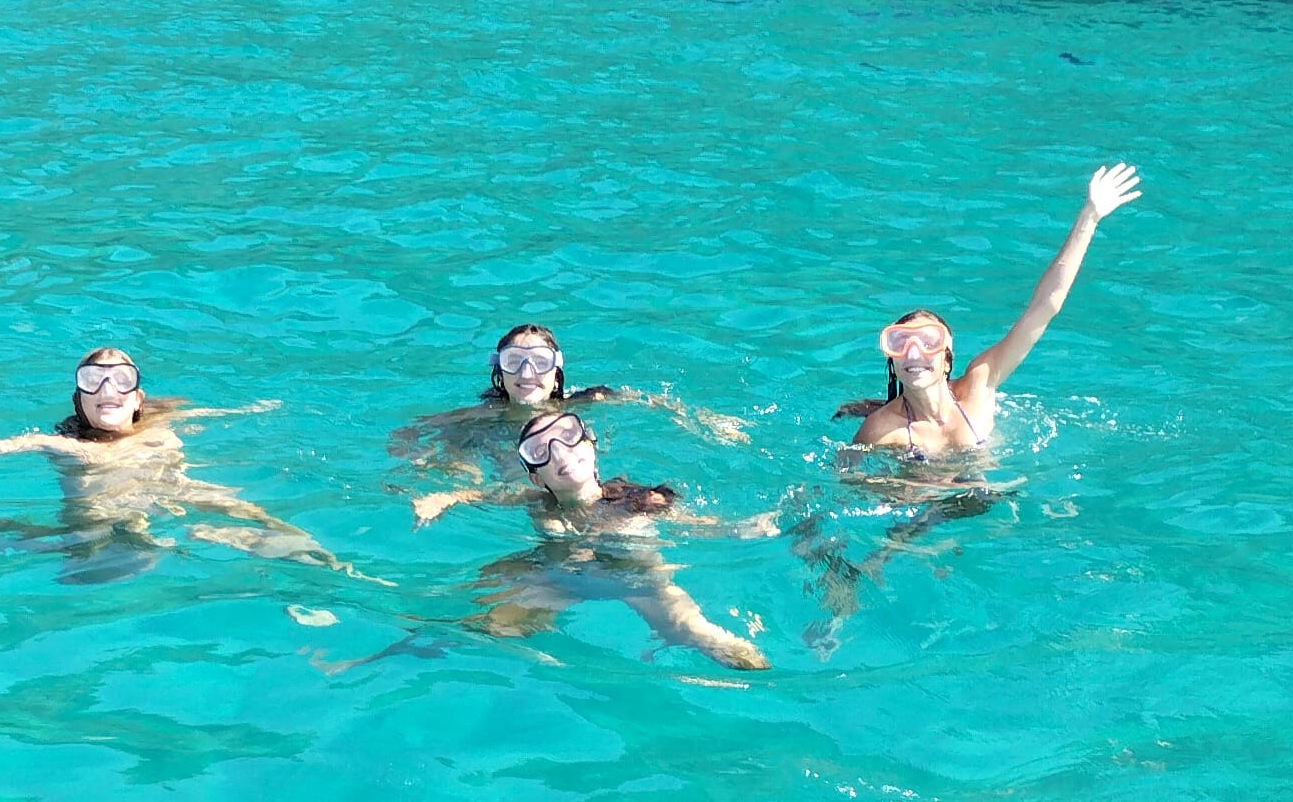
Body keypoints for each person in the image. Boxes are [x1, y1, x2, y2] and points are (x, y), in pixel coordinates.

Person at [0, 343, 339, 566]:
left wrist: (265, 407)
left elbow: (233, 412)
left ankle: (330, 574)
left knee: (256, 517)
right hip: (105, 527)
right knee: (134, 543)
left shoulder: (164, 425)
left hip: (176, 495)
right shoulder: (63, 445)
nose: (107, 388)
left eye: (121, 379)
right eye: (93, 380)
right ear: (79, 401)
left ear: (138, 398)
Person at [417, 403, 775, 673]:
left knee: (702, 637)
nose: (559, 452)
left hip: (640, 586)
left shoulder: (638, 500)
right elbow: (475, 494)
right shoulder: (535, 500)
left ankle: (771, 685)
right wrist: (441, 498)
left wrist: (738, 528)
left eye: (568, 437)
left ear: (592, 447)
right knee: (484, 627)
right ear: (537, 478)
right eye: (541, 451)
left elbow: (693, 522)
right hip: (561, 582)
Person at [836, 164, 1142, 461]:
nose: (913, 353)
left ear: (947, 359)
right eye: (900, 342)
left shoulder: (979, 386)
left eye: (929, 340)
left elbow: (1045, 307)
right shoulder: (880, 430)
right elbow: (848, 480)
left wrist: (1090, 216)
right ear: (892, 361)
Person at [393, 321, 747, 473]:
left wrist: (705, 419)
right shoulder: (484, 414)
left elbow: (648, 400)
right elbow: (409, 432)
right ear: (500, 373)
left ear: (556, 373)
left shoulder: (582, 401)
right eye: (514, 362)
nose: (527, 374)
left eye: (540, 362)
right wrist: (421, 458)